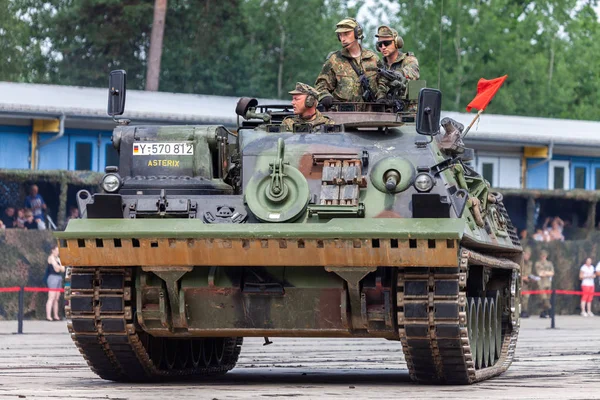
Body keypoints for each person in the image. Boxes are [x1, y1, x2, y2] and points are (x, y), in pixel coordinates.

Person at [315, 17, 380, 107]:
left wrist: (382, 97)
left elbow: (382, 84)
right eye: (340, 35)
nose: (343, 39)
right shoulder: (334, 60)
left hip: (370, 115)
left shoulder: (373, 59)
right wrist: (325, 96)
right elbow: (321, 85)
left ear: (357, 33)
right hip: (344, 115)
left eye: (346, 34)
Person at [374, 25, 419, 101]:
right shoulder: (379, 66)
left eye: (386, 43)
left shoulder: (409, 60)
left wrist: (397, 74)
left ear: (397, 42)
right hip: (385, 110)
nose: (383, 47)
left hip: (407, 111)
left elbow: (412, 74)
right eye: (380, 44)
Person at [45, 244, 65, 321]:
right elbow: (56, 268)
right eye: (56, 250)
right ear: (52, 250)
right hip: (52, 277)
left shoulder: (58, 259)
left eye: (58, 251)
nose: (58, 252)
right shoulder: (51, 258)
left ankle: (56, 316)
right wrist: (59, 267)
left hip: (59, 277)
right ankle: (48, 316)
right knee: (51, 297)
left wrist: (59, 267)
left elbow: (63, 269)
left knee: (57, 298)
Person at [535, 250, 555, 318]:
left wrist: (545, 272)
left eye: (545, 255)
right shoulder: (538, 263)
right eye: (542, 255)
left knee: (547, 298)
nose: (543, 257)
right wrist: (547, 273)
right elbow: (539, 273)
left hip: (548, 283)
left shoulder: (549, 263)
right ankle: (550, 310)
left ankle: (544, 312)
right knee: (543, 298)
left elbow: (552, 273)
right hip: (541, 283)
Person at [520, 247, 534, 318]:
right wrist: (523, 277)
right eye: (526, 254)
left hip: (527, 283)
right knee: (521, 298)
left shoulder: (530, 263)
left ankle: (524, 311)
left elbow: (530, 272)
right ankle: (521, 311)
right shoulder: (520, 262)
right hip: (521, 282)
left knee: (526, 298)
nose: (527, 256)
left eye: (529, 255)